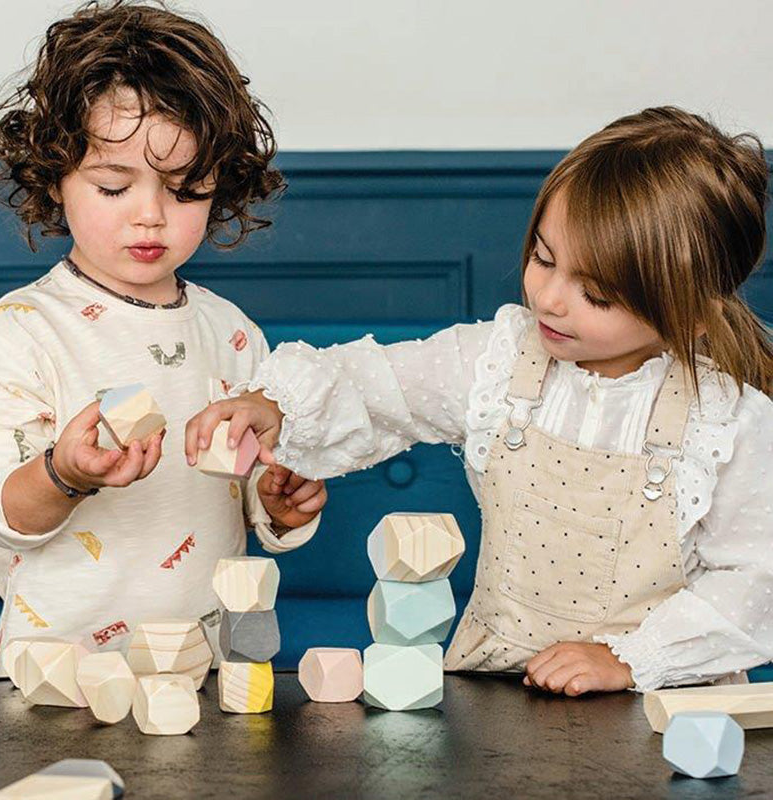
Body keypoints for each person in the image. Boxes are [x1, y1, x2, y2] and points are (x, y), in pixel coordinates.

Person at [186, 107, 773, 695]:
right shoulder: (498, 361)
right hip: (502, 688)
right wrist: (275, 404)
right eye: (544, 259)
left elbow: (753, 581)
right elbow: (378, 383)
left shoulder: (729, 425)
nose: (550, 299)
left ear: (690, 314)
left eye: (594, 292)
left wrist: (627, 658)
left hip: (661, 704)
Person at [0, 0, 326, 675]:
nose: (151, 217)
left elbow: (254, 498)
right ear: (56, 178)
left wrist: (281, 504)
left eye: (186, 191)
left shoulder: (232, 333)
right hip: (57, 678)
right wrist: (64, 474)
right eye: (113, 186)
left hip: (211, 673)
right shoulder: (15, 335)